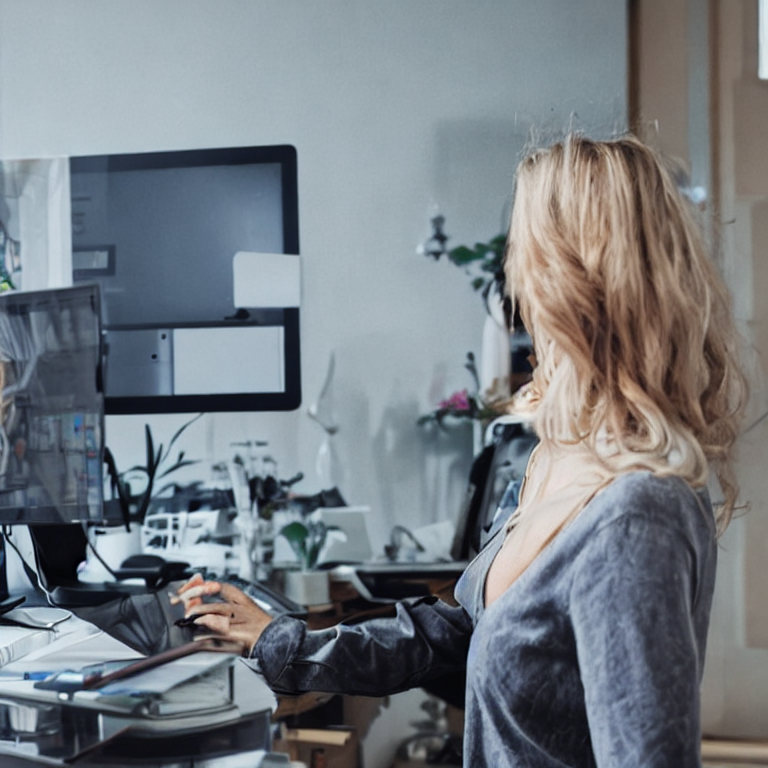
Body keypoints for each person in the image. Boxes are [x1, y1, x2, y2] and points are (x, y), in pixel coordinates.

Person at [174, 134, 748, 767]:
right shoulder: (552, 459)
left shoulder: (636, 517)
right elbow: (464, 630)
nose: (512, 288)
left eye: (524, 257)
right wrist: (284, 643)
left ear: (574, 284)